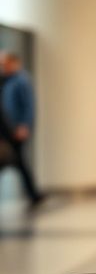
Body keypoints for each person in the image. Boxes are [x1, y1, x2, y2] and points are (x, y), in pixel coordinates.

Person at [0, 51, 45, 206]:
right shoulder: (6, 80)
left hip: (16, 129)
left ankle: (34, 194)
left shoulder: (21, 80)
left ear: (14, 62)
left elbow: (28, 106)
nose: (3, 66)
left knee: (18, 162)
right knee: (18, 162)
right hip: (6, 129)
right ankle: (34, 194)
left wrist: (24, 125)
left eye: (5, 63)